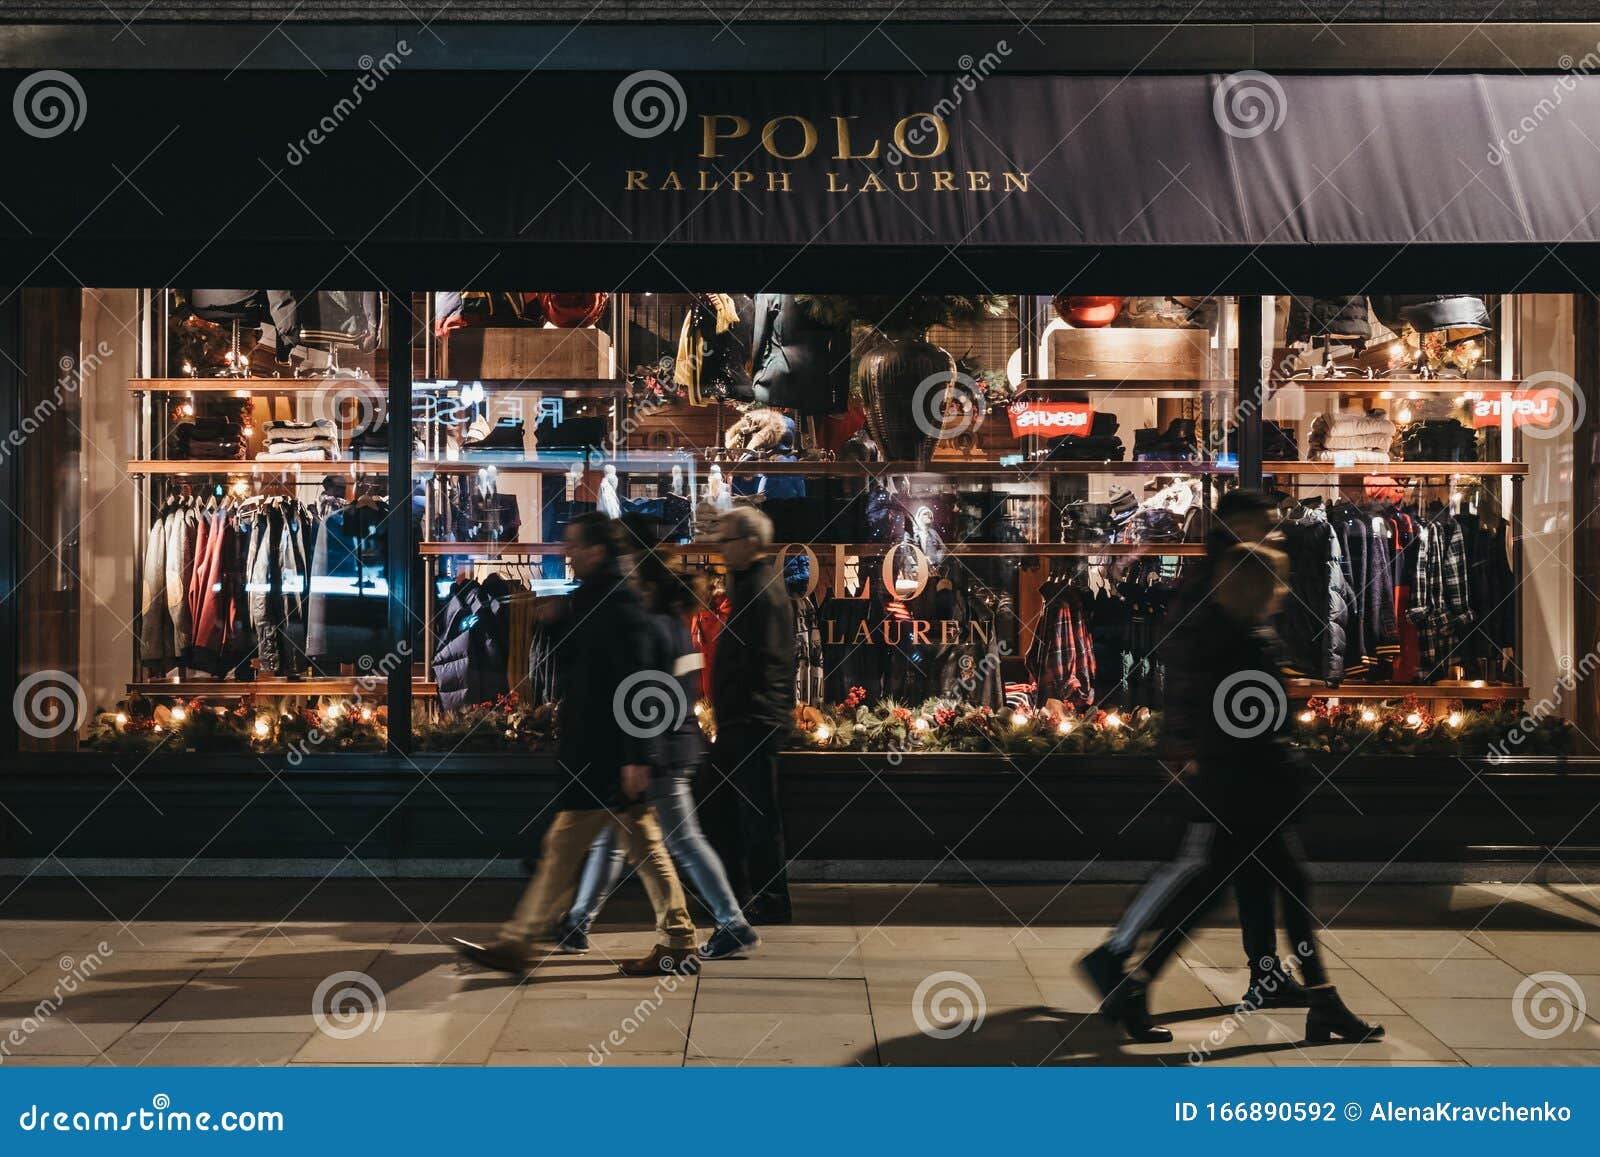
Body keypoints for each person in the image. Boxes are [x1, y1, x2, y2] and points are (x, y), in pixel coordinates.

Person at [1081, 543, 1383, 1046]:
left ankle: (1139, 989)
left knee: (1250, 891)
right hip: (1248, 790)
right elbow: (1243, 718)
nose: (1282, 592)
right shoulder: (1239, 639)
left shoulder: (1227, 632)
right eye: (1275, 582)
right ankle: (1320, 1002)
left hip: (1238, 786)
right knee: (1263, 891)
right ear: (1255, 588)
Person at [1081, 489, 1314, 1020]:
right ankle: (1120, 958)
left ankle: (1263, 972)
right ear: (1238, 523)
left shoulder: (1236, 573)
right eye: (1264, 521)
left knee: (1241, 870)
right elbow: (1186, 662)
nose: (1274, 530)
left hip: (1224, 754)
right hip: (1218, 756)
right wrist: (1184, 738)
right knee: (1199, 867)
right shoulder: (1220, 579)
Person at [452, 512, 700, 977]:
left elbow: (638, 685)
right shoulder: (593, 600)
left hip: (605, 757)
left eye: (575, 545)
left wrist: (636, 756)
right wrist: (553, 624)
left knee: (567, 848)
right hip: (599, 754)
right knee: (643, 849)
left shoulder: (620, 605)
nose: (567, 552)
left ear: (597, 551)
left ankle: (520, 943)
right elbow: (580, 668)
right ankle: (679, 941)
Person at [556, 552, 763, 961]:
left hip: (659, 752)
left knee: (678, 841)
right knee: (615, 839)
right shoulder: (678, 623)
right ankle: (577, 922)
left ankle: (732, 921)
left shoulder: (653, 624)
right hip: (673, 744)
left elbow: (652, 696)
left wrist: (642, 754)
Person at [697, 506, 796, 924]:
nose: (721, 548)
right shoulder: (750, 584)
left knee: (752, 811)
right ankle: (742, 895)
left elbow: (769, 660)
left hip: (753, 720)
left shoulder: (761, 588)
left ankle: (767, 900)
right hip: (745, 718)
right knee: (737, 808)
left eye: (727, 540)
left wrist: (748, 709)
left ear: (750, 543)